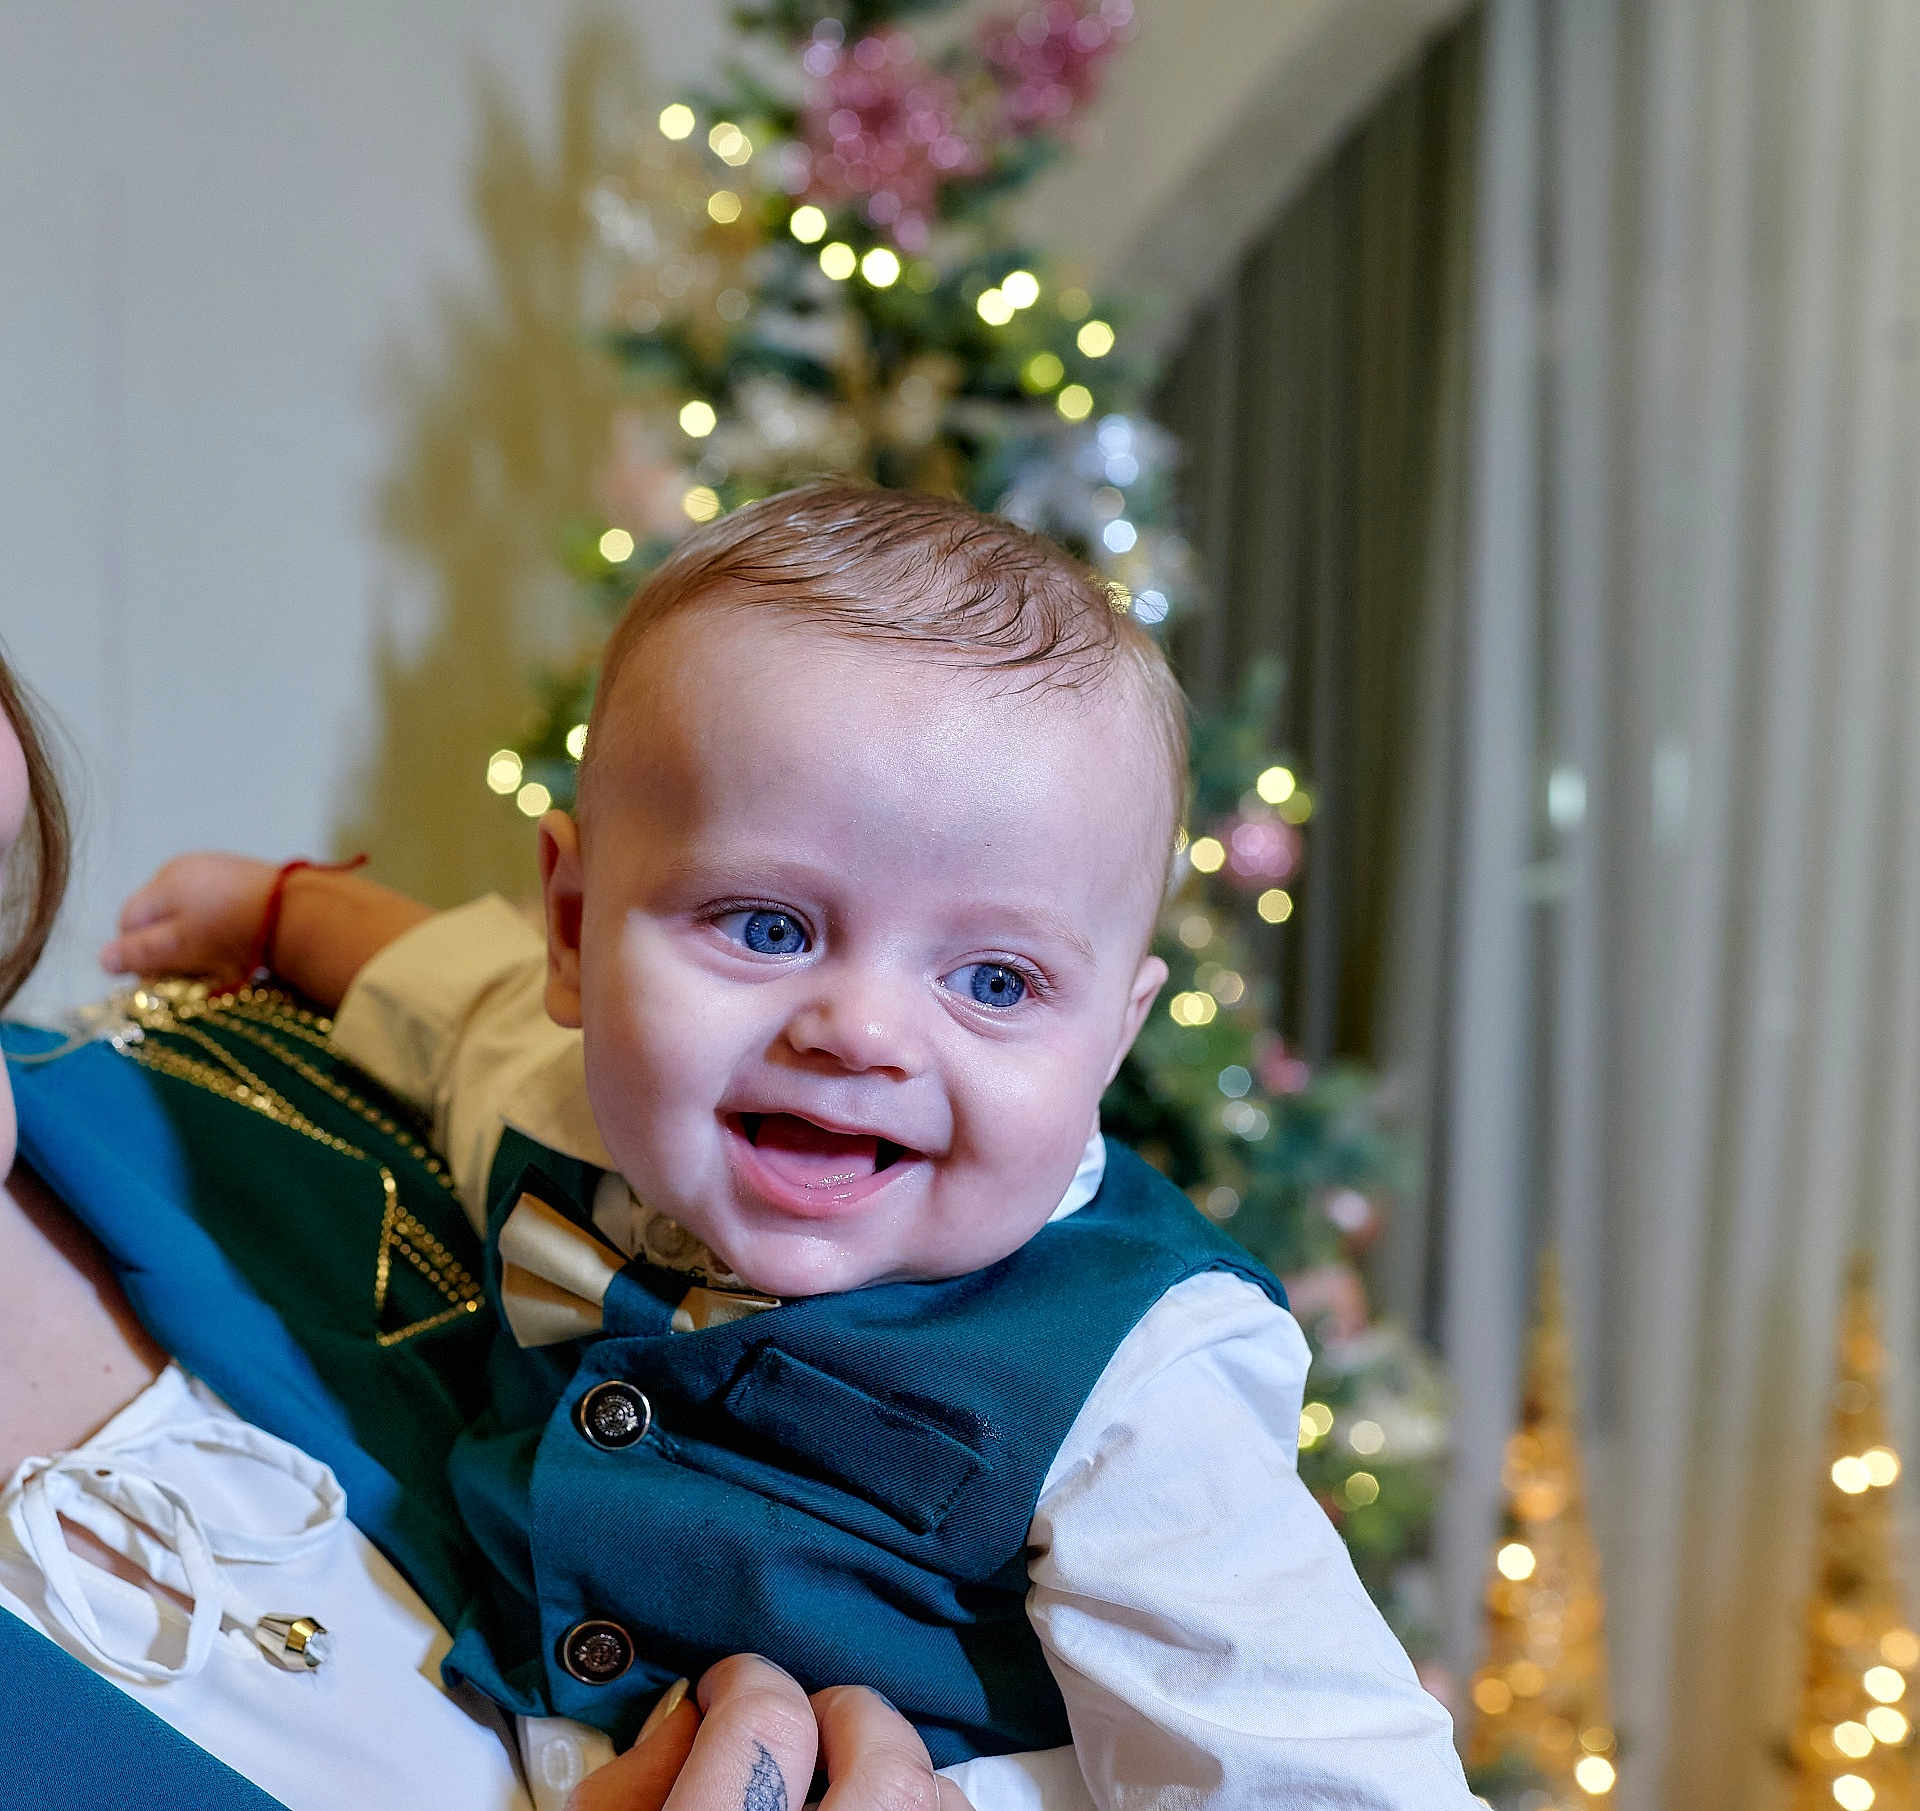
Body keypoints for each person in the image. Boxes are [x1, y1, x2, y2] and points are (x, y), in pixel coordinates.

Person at [103, 483, 1478, 1809]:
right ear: (576, 935)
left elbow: (1313, 1761)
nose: (862, 1027)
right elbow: (452, 987)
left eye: (995, 979)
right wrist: (283, 910)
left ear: (1114, 1040)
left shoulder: (1134, 1365)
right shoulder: (561, 1101)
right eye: (768, 925)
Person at [0, 645, 976, 1811]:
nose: (863, 1031)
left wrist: (301, 910)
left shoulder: (250, 1080)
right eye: (771, 926)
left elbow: (494, 1019)